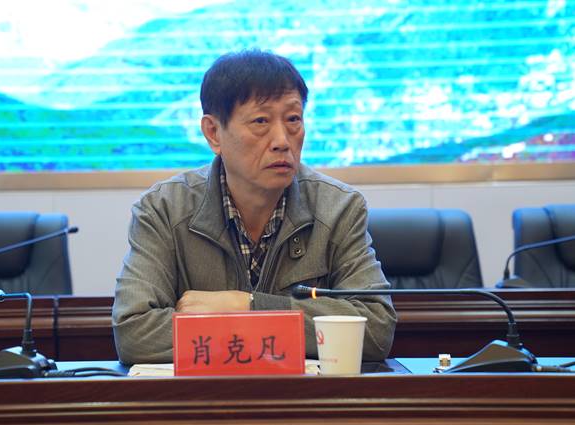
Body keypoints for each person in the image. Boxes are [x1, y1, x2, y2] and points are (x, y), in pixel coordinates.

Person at [113, 49, 396, 365]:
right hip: (203, 396)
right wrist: (266, 324)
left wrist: (246, 305)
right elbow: (134, 332)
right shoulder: (163, 209)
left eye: (293, 119)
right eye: (261, 121)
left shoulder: (339, 207)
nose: (282, 141)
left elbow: (375, 327)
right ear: (213, 133)